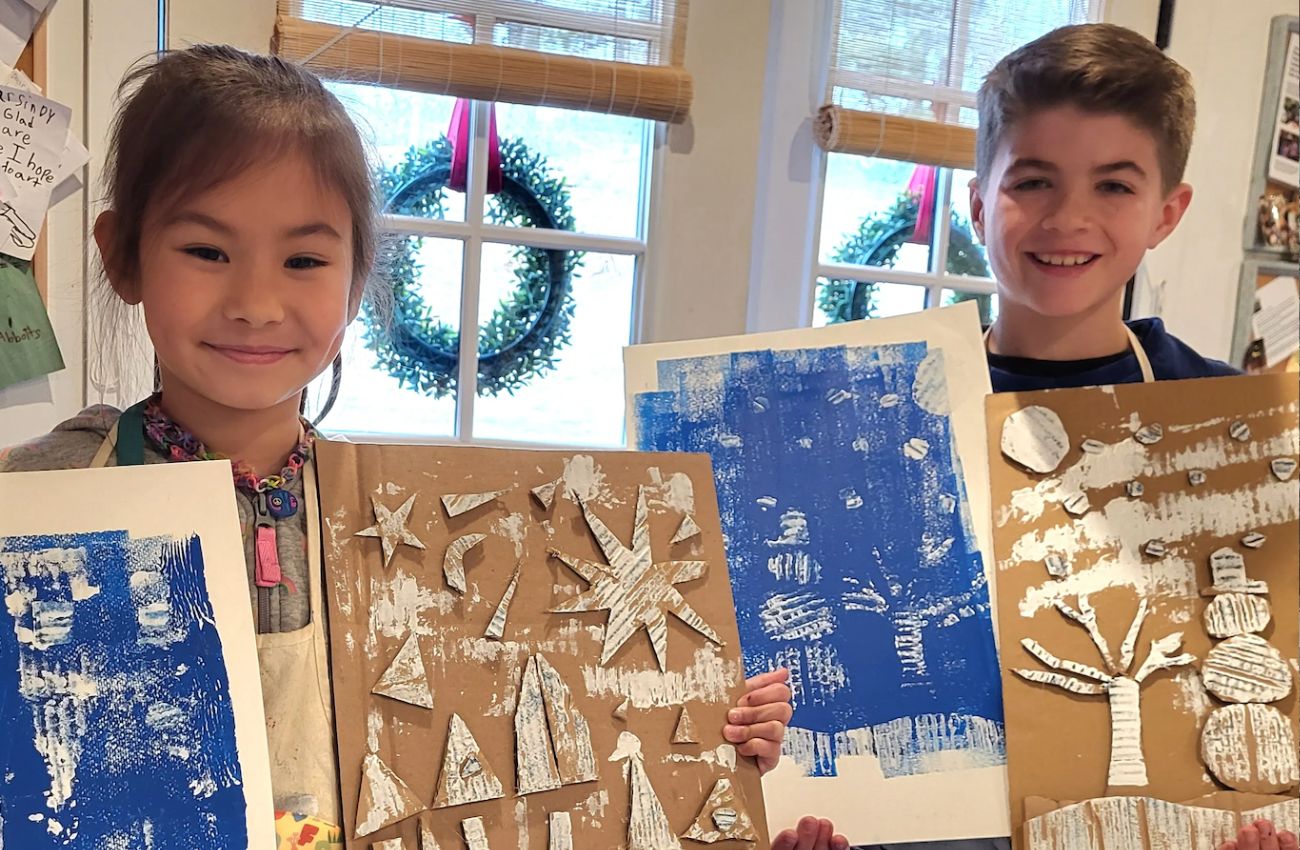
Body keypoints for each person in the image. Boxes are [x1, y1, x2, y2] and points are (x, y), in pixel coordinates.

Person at [0, 44, 791, 846]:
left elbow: (570, 747)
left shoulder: (426, 524)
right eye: (207, 251)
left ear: (355, 281)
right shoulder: (42, 496)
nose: (256, 303)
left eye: (304, 259)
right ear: (122, 253)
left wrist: (710, 727)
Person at [772, 21, 1284, 850]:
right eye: (1033, 182)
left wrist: (1258, 816)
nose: (1067, 218)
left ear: (1168, 212)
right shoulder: (872, 417)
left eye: (1114, 187)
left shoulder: (1230, 430)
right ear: (979, 203)